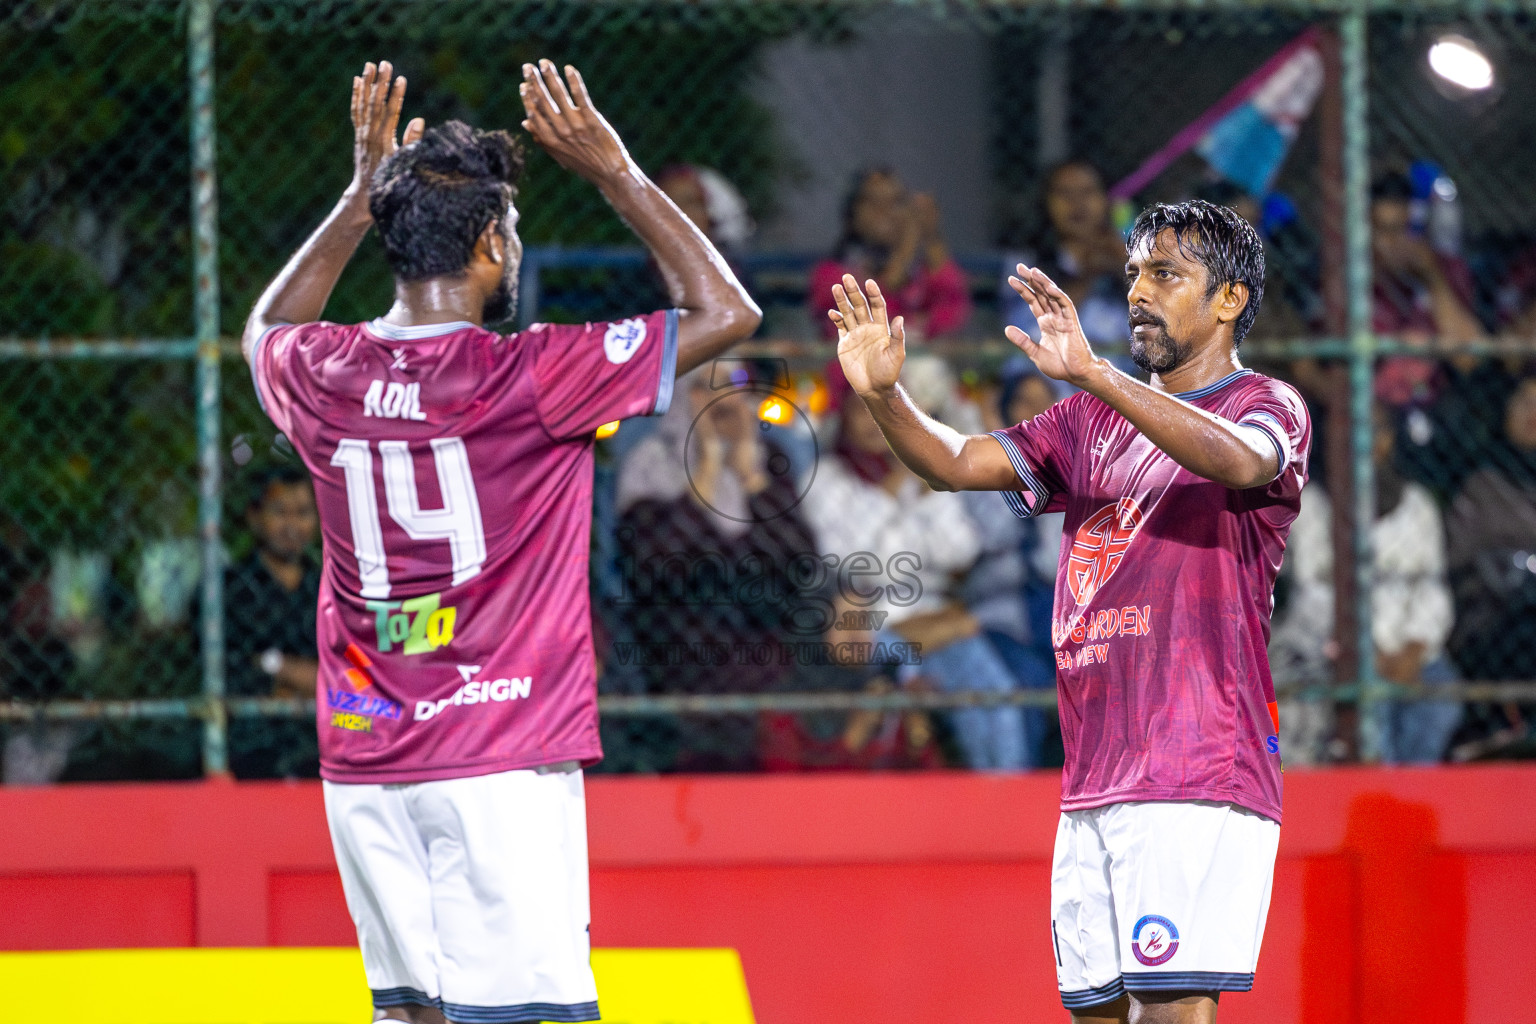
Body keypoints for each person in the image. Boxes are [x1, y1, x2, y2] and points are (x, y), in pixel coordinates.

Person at [241, 60, 759, 1024]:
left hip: (365, 757)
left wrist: (358, 197)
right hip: (498, 755)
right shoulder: (536, 375)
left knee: (415, 1014)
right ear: (488, 243)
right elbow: (727, 310)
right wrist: (615, 173)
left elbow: (265, 324)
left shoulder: (322, 367)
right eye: (510, 228)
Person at [827, 199, 1309, 1021]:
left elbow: (1239, 463)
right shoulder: (1087, 420)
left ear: (1230, 299)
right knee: (1097, 1015)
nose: (1139, 292)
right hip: (1094, 775)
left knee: (1171, 1012)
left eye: (1166, 275)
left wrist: (1095, 374)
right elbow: (956, 462)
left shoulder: (1266, 404)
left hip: (1197, 761)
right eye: (1134, 274)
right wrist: (884, 395)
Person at [799, 359, 1029, 771]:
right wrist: (890, 499)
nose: (874, 423)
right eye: (861, 411)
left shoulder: (924, 474)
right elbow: (850, 562)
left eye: (885, 411)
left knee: (996, 699)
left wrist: (925, 493)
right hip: (870, 621)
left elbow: (959, 550)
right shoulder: (826, 479)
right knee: (909, 709)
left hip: (935, 614)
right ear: (844, 419)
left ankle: (1001, 800)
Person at [612, 368, 816, 771]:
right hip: (677, 633)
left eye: (732, 385)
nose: (723, 400)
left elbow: (799, 560)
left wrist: (750, 476)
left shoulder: (768, 459)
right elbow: (655, 565)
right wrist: (706, 468)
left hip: (762, 630)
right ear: (682, 395)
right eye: (707, 387)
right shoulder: (652, 462)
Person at [1269, 404, 1460, 765]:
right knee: (1373, 713)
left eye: (1374, 430)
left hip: (1412, 651)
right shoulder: (1311, 504)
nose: (1361, 440)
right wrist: (1367, 649)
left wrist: (1415, 647)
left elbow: (1432, 590)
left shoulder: (1416, 504)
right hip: (1338, 649)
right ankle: (1380, 792)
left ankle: (1412, 794)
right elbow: (1314, 594)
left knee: (1440, 704)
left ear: (1387, 441)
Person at [1445, 374, 1536, 757]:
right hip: (1494, 614)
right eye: (1524, 402)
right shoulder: (1482, 483)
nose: (1533, 414)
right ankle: (1510, 730)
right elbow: (1463, 562)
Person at [224, 466, 322, 779]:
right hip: (250, 743)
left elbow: (346, 675)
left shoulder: (330, 588)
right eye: (279, 512)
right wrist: (296, 677)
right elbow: (230, 669)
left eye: (303, 513)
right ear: (255, 517)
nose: (292, 525)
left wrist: (278, 668)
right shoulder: (227, 590)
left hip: (323, 736)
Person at [809, 168, 970, 341]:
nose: (884, 210)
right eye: (873, 202)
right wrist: (908, 244)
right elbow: (878, 322)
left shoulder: (920, 271)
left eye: (895, 202)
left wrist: (931, 235)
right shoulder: (830, 274)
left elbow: (951, 316)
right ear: (852, 213)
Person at [1371, 171, 1484, 408]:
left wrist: (1431, 277)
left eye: (1400, 230)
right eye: (1380, 230)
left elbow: (1468, 358)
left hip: (1437, 404)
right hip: (1373, 401)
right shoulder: (1352, 274)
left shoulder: (1445, 267)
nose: (1390, 243)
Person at [1002, 160, 1131, 358]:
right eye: (1064, 193)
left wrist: (1127, 269)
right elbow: (1032, 335)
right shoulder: (1024, 264)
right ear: (1045, 203)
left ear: (1107, 200)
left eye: (1087, 192)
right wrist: (1087, 276)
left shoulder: (1129, 258)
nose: (1077, 203)